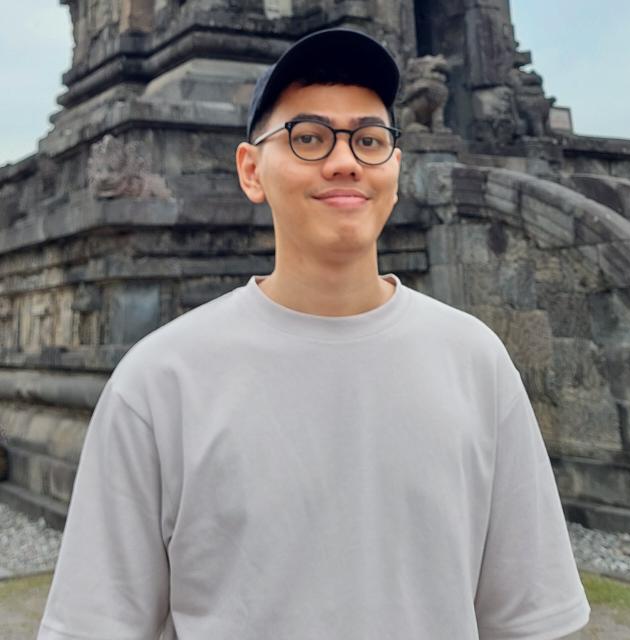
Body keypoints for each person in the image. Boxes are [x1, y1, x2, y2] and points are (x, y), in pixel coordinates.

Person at [38, 28, 590, 640]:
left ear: (396, 168)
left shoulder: (476, 361)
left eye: (369, 139)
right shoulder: (159, 381)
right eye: (308, 137)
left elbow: (528, 619)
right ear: (251, 170)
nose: (345, 161)